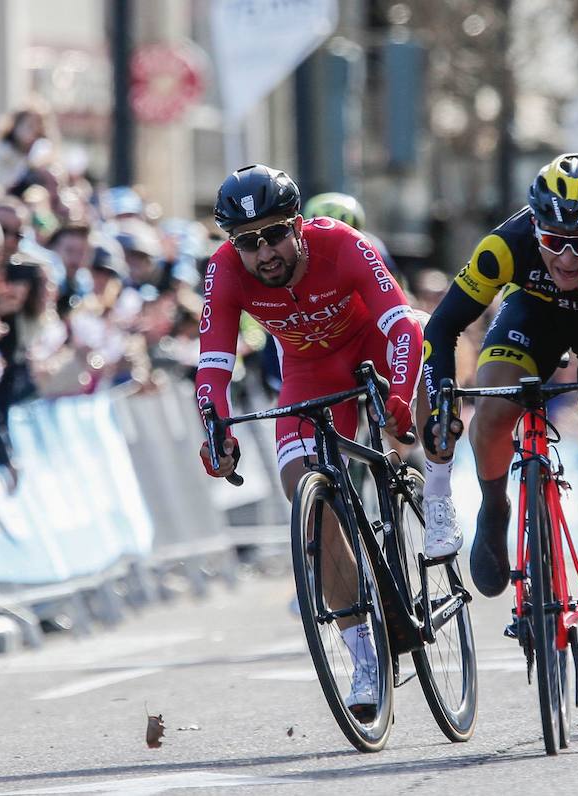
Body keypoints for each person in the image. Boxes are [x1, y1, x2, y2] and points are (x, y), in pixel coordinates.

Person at [419, 153, 578, 697]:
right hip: (536, 317)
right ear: (535, 226)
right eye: (555, 241)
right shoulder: (506, 245)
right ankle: (495, 507)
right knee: (493, 406)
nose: (569, 257)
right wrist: (439, 393)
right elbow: (442, 325)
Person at [195, 164, 422, 719]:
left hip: (371, 353)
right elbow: (212, 366)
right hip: (308, 370)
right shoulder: (224, 271)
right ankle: (366, 655)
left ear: (297, 225)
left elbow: (404, 325)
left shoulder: (341, 242)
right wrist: (215, 431)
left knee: (399, 435)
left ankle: (431, 505)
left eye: (274, 234)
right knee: (303, 488)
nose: (264, 252)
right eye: (249, 242)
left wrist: (398, 395)